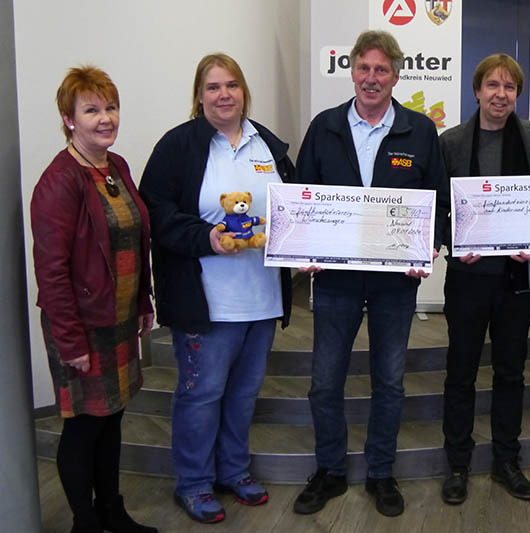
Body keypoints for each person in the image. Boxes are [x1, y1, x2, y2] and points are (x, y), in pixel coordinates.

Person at [291, 30, 445, 518]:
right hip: (334, 280)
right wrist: (302, 247)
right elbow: (301, 197)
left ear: (397, 76)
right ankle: (331, 471)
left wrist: (431, 245)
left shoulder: (420, 131)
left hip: (394, 283)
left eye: (382, 70)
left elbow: (436, 201)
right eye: (364, 68)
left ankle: (381, 472)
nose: (371, 78)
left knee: (390, 382)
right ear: (351, 71)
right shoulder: (325, 127)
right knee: (323, 382)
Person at [139, 53, 294, 524]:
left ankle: (234, 471)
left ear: (244, 91)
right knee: (201, 395)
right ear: (199, 95)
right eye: (212, 87)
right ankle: (193, 482)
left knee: (244, 394)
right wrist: (205, 238)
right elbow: (157, 213)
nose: (223, 94)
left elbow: (293, 203)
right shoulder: (179, 146)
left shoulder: (266, 143)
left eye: (231, 85)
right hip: (206, 299)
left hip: (262, 298)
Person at [30, 66, 157, 533]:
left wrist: (143, 302)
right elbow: (52, 272)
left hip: (119, 318)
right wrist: (71, 341)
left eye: (110, 107)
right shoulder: (59, 181)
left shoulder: (116, 166)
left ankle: (111, 512)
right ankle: (85, 523)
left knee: (112, 420)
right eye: (91, 110)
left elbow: (135, 241)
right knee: (83, 427)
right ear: (69, 119)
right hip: (81, 326)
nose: (105, 118)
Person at [436, 54, 530, 505]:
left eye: (510, 87)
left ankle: (507, 460)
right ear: (477, 90)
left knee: (511, 371)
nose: (501, 94)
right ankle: (458, 465)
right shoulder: (452, 141)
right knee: (460, 372)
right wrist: (455, 242)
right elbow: (440, 210)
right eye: (492, 85)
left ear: (517, 94)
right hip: (467, 277)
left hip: (516, 276)